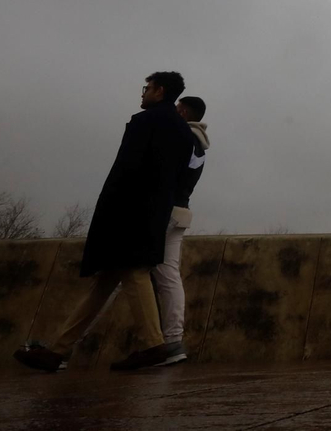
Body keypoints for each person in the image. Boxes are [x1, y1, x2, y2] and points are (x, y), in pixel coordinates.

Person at [14, 72, 197, 372]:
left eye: (147, 88)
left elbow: (126, 169)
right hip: (156, 211)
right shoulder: (184, 133)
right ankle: (58, 350)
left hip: (128, 210)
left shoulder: (145, 121)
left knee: (132, 270)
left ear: (160, 91)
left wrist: (111, 211)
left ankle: (153, 344)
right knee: (106, 281)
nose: (143, 93)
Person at [151, 95, 209, 362]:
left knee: (123, 272)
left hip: (163, 211)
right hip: (179, 213)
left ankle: (66, 344)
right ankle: (173, 341)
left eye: (176, 108)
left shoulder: (181, 138)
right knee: (169, 277)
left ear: (183, 112)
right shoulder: (200, 145)